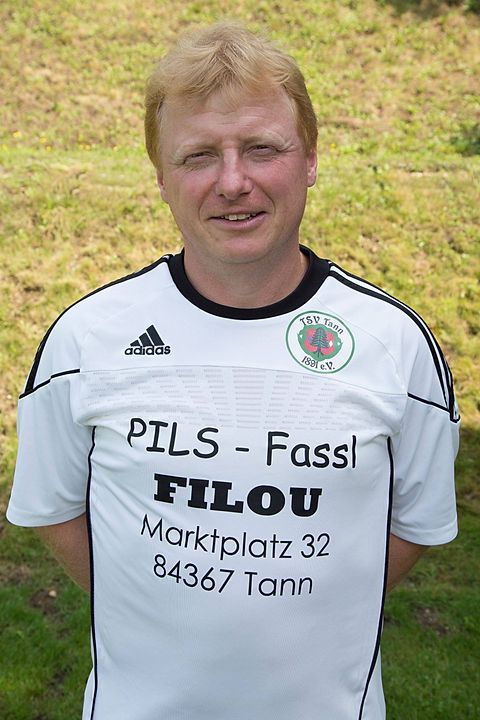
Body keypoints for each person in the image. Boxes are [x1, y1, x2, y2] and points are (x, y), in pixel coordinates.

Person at [7, 21, 459, 720]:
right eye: (198, 156)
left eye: (261, 148)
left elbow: (416, 525)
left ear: (310, 159)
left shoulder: (395, 346)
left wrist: (299, 609)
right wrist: (162, 605)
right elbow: (54, 510)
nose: (232, 182)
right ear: (161, 178)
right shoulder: (87, 340)